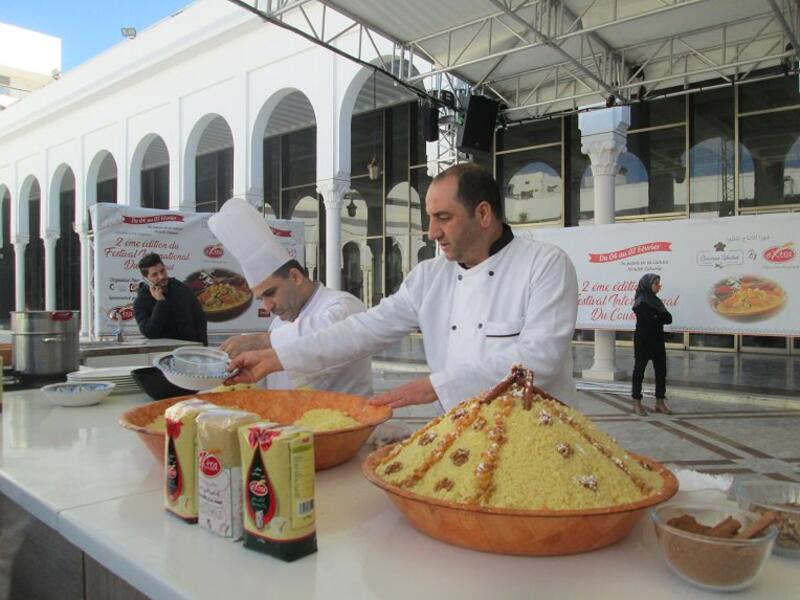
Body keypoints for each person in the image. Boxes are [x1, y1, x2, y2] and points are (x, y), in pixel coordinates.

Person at [225, 163, 579, 412]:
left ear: (483, 214)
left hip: (533, 430)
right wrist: (276, 358)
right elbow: (362, 330)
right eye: (430, 218)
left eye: (443, 218)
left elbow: (540, 357)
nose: (432, 232)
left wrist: (435, 386)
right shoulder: (429, 277)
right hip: (461, 431)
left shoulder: (545, 264)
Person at [208, 198, 372, 396]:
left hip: (345, 414)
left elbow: (324, 337)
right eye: (261, 299)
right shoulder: (279, 324)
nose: (268, 306)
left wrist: (260, 341)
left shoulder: (344, 305)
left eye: (270, 293)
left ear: (295, 277)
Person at [133, 253, 208, 345]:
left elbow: (200, 319)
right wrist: (161, 302)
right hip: (164, 351)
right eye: (155, 275)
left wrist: (203, 347)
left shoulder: (182, 289)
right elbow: (150, 332)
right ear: (146, 279)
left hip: (189, 349)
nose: (161, 276)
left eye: (162, 271)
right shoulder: (140, 302)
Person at [631, 273, 672, 416]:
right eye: (656, 283)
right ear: (647, 285)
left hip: (657, 340)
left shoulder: (657, 301)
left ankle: (660, 402)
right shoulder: (641, 301)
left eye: (659, 283)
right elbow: (649, 318)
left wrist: (657, 316)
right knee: (639, 372)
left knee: (661, 372)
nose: (659, 286)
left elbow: (668, 318)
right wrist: (658, 316)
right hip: (643, 340)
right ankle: (636, 403)